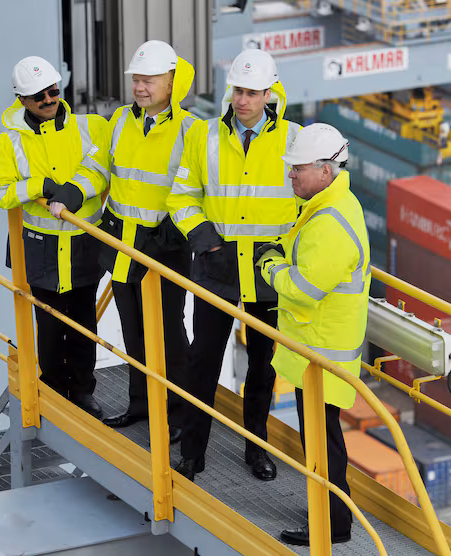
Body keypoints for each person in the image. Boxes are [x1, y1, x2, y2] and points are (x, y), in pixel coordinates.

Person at [166, 49, 301, 481]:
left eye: (251, 92)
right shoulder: (203, 136)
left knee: (262, 369)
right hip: (216, 267)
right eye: (237, 90)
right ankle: (192, 451)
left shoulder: (295, 140)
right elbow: (181, 197)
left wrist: (283, 254)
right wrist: (206, 243)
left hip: (268, 273)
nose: (242, 100)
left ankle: (256, 449)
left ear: (269, 93)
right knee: (202, 362)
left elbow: (309, 206)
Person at [72, 41, 195, 444]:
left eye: (148, 80)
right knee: (134, 333)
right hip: (124, 245)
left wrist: (174, 232)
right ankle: (141, 405)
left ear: (171, 81)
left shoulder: (190, 130)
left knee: (170, 335)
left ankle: (178, 414)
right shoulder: (121, 120)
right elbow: (97, 168)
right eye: (136, 80)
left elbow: (197, 188)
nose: (140, 88)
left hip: (166, 247)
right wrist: (73, 193)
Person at [256, 123, 369, 546]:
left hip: (323, 357)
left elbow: (303, 291)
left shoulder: (331, 223)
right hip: (317, 352)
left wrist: (269, 266)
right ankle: (330, 514)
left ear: (325, 170)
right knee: (322, 441)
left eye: (297, 169)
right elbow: (302, 252)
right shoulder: (332, 203)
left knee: (323, 445)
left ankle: (332, 526)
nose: (291, 176)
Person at [0, 56, 108, 418]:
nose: (48, 99)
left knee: (85, 321)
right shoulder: (7, 143)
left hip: (83, 243)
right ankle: (54, 395)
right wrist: (37, 185)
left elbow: (101, 171)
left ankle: (84, 393)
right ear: (21, 99)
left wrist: (74, 190)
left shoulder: (89, 128)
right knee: (51, 326)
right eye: (38, 95)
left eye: (53, 91)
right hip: (40, 249)